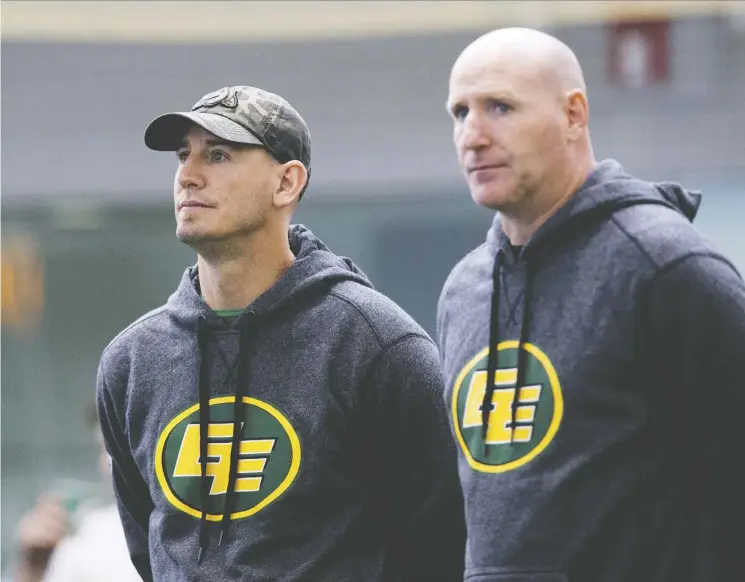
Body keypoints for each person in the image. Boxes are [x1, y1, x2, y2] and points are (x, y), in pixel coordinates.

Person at [95, 85, 465, 581]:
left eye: (219, 154)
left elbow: (439, 547)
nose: (188, 175)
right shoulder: (131, 361)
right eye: (184, 155)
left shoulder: (378, 347)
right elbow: (150, 549)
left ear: (287, 183)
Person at [436, 27, 745, 582]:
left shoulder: (665, 268)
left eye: (499, 107)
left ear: (574, 115)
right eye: (460, 112)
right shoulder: (464, 290)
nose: (472, 135)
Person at [13, 405, 140, 582]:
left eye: (114, 447)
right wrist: (33, 569)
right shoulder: (89, 534)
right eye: (104, 448)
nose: (104, 465)